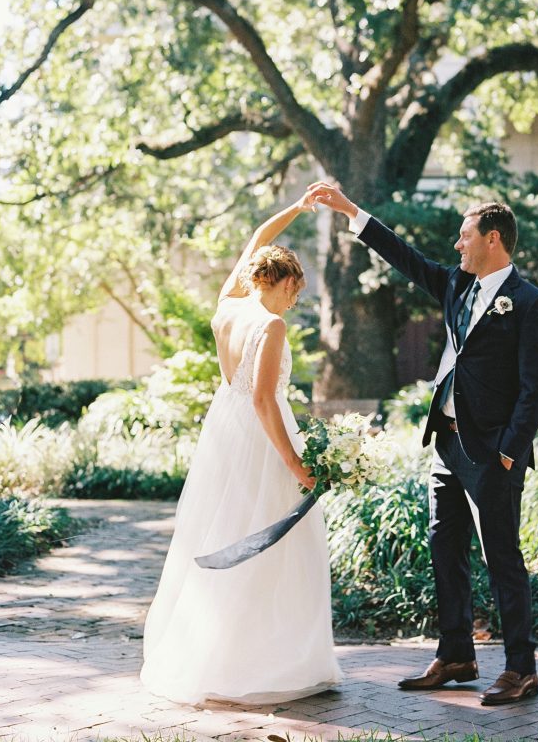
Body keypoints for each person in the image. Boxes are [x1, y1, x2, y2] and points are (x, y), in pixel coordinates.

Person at [308, 181, 538, 706]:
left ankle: (522, 668)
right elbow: (405, 256)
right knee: (445, 549)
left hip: (492, 454)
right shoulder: (455, 287)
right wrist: (353, 210)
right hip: (446, 444)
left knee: (503, 559)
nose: (457, 246)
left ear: (493, 239)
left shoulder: (532, 304)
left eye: (465, 237)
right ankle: (457, 655)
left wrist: (509, 452)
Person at [140, 194, 342, 706]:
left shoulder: (228, 305)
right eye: (295, 290)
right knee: (277, 547)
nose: (294, 302)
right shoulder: (270, 325)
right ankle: (266, 661)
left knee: (224, 531)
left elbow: (256, 239)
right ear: (282, 281)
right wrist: (295, 462)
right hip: (260, 438)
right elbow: (263, 399)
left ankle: (216, 653)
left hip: (224, 435)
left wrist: (296, 207)